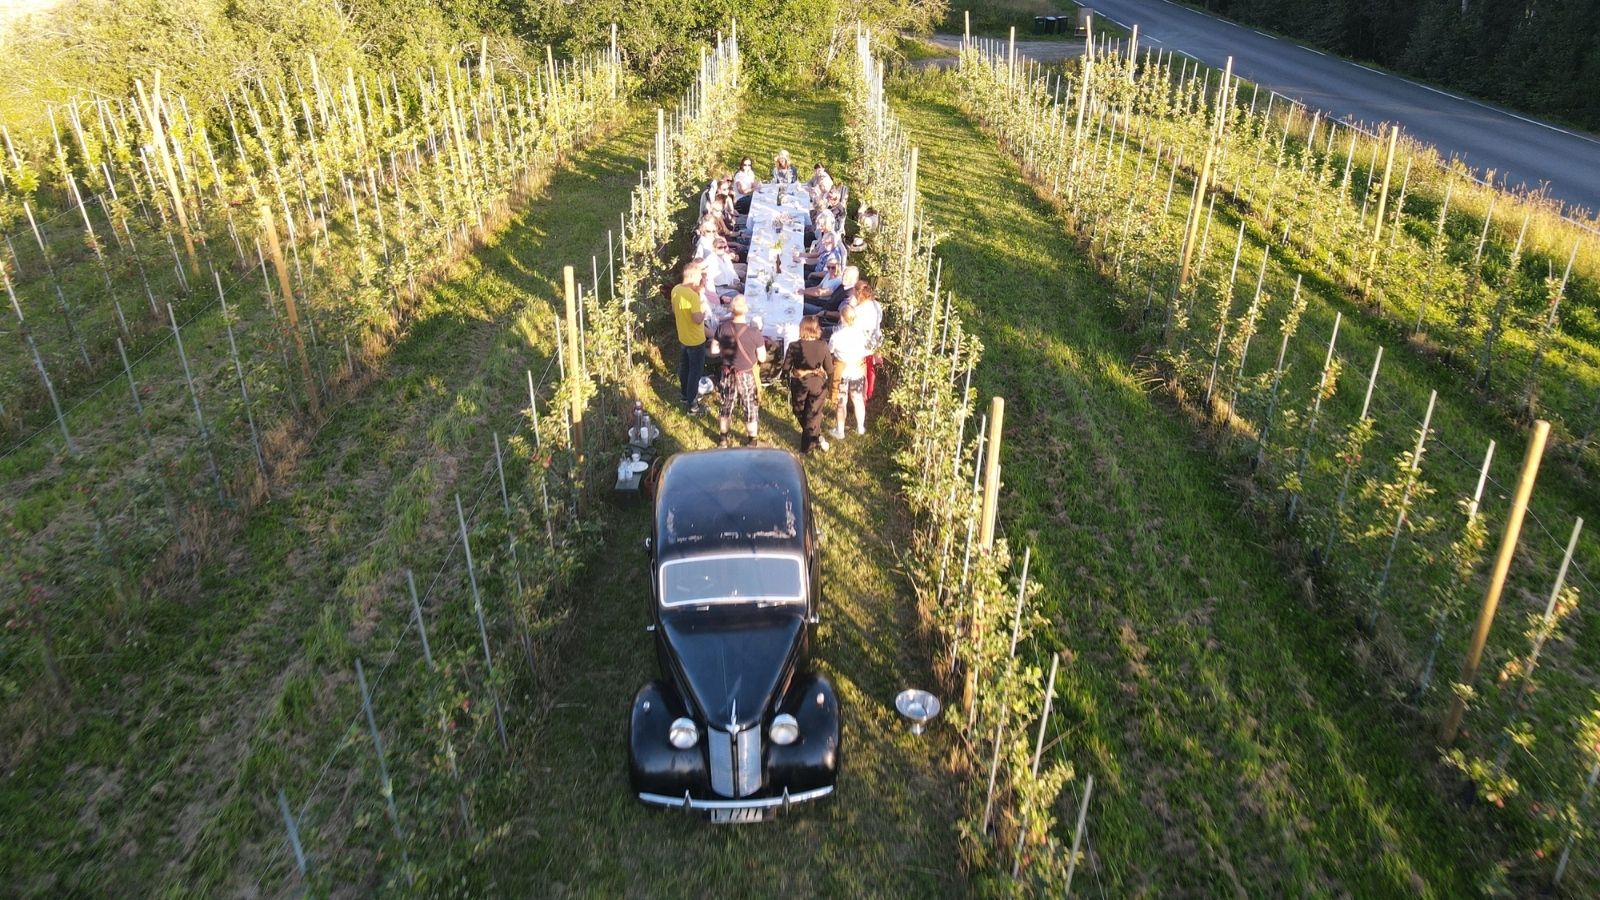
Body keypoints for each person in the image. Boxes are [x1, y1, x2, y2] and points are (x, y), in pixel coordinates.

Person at [713, 294, 768, 446]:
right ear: (746, 310)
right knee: (749, 405)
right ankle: (752, 440)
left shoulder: (722, 328)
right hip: (746, 374)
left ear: (731, 311)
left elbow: (713, 350)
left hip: (727, 372)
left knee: (726, 404)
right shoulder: (754, 333)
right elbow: (762, 358)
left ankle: (723, 438)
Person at [785, 316, 834, 454]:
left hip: (800, 383)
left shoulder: (794, 346)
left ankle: (806, 448)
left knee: (802, 412)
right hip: (818, 383)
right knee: (812, 414)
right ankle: (816, 437)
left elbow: (785, 367)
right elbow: (830, 369)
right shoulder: (823, 345)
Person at [673, 260, 709, 414]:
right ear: (693, 276)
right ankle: (693, 406)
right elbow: (697, 319)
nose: (700, 279)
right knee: (695, 371)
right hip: (696, 339)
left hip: (683, 336)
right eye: (699, 276)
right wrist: (704, 309)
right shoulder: (692, 296)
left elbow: (675, 311)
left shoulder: (676, 289)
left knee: (685, 367)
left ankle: (684, 395)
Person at [829, 303, 870, 439]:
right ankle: (860, 427)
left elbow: (830, 350)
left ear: (842, 318)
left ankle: (840, 430)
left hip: (843, 372)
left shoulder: (837, 335)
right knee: (857, 398)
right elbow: (866, 350)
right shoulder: (861, 334)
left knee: (842, 400)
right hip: (857, 370)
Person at [847, 282, 884, 400]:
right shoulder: (876, 305)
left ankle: (863, 394)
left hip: (862, 343)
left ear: (858, 293)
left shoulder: (857, 310)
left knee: (862, 369)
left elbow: (852, 326)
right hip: (875, 340)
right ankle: (870, 391)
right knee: (871, 366)